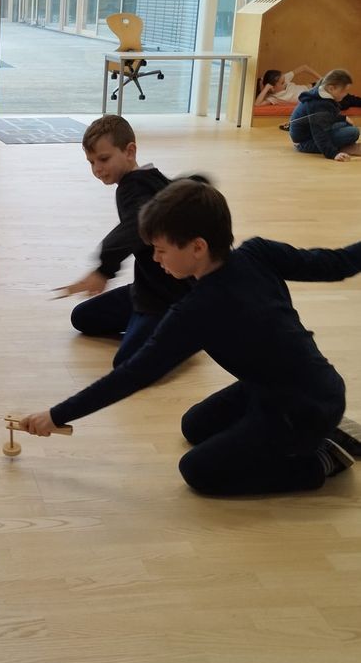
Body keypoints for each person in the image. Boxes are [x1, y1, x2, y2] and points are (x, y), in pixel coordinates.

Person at [20, 179, 358, 497]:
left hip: (301, 407)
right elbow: (340, 263)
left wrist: (56, 415)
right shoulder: (257, 252)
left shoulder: (199, 310)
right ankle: (313, 427)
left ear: (197, 247)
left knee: (199, 471)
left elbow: (132, 375)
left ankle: (324, 458)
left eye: (161, 250)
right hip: (280, 385)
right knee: (194, 426)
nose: (155, 259)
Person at [54, 115, 192, 366]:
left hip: (169, 299)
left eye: (104, 159)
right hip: (147, 290)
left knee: (128, 362)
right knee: (82, 317)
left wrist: (104, 270)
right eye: (91, 162)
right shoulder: (153, 178)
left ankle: (186, 330)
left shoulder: (132, 187)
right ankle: (161, 324)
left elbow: (137, 225)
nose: (97, 168)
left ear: (130, 151)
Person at [288, 68, 361, 162]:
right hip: (305, 142)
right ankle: (341, 148)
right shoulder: (319, 104)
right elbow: (319, 133)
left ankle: (341, 145)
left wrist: (343, 118)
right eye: (344, 91)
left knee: (346, 124)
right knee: (353, 132)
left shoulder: (322, 94)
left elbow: (328, 116)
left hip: (310, 133)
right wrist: (333, 154)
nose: (345, 94)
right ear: (331, 88)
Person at [255, 65, 321, 106]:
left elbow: (304, 67)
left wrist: (321, 78)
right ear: (272, 88)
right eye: (282, 83)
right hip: (313, 95)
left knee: (329, 81)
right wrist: (266, 87)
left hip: (312, 87)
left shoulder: (283, 78)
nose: (285, 82)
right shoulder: (274, 98)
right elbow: (257, 104)